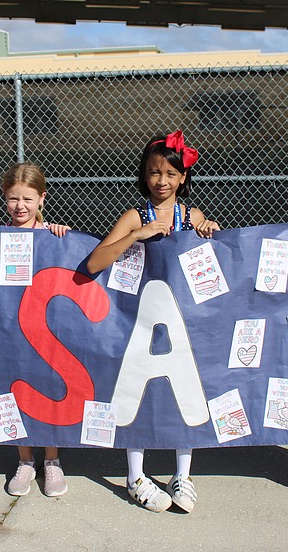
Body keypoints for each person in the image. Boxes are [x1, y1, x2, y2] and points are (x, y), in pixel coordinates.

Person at [86, 131, 219, 513]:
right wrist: (138, 235)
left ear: (183, 178)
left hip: (180, 322)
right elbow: (94, 263)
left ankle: (182, 474)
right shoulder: (134, 215)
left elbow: (209, 263)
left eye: (171, 174)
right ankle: (135, 476)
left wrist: (209, 232)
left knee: (188, 391)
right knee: (133, 393)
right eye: (154, 173)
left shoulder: (191, 216)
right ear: (144, 176)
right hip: (138, 321)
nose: (162, 181)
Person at [0, 162, 70, 498]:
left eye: (27, 198)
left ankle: (52, 460)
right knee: (10, 390)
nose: (20, 206)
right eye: (12, 199)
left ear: (42, 198)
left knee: (49, 387)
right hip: (7, 329)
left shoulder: (53, 235)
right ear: (4, 199)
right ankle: (25, 460)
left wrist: (63, 238)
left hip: (46, 332)